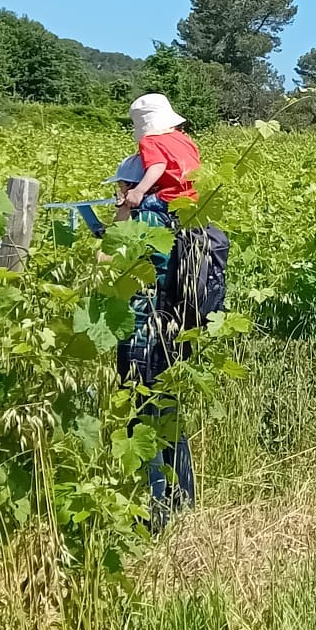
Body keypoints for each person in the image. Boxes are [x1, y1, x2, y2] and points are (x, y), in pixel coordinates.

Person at [107, 153, 193, 527]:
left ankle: (154, 512)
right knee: (170, 414)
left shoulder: (143, 218)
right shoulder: (175, 215)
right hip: (170, 329)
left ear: (134, 188)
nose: (117, 193)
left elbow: (107, 260)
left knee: (141, 417)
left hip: (142, 328)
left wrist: (121, 215)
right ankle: (183, 502)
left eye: (120, 187)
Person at [118, 92, 200, 212]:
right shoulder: (182, 137)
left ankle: (119, 229)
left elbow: (157, 165)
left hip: (172, 196)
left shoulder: (149, 140)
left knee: (139, 207)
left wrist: (138, 191)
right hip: (195, 193)